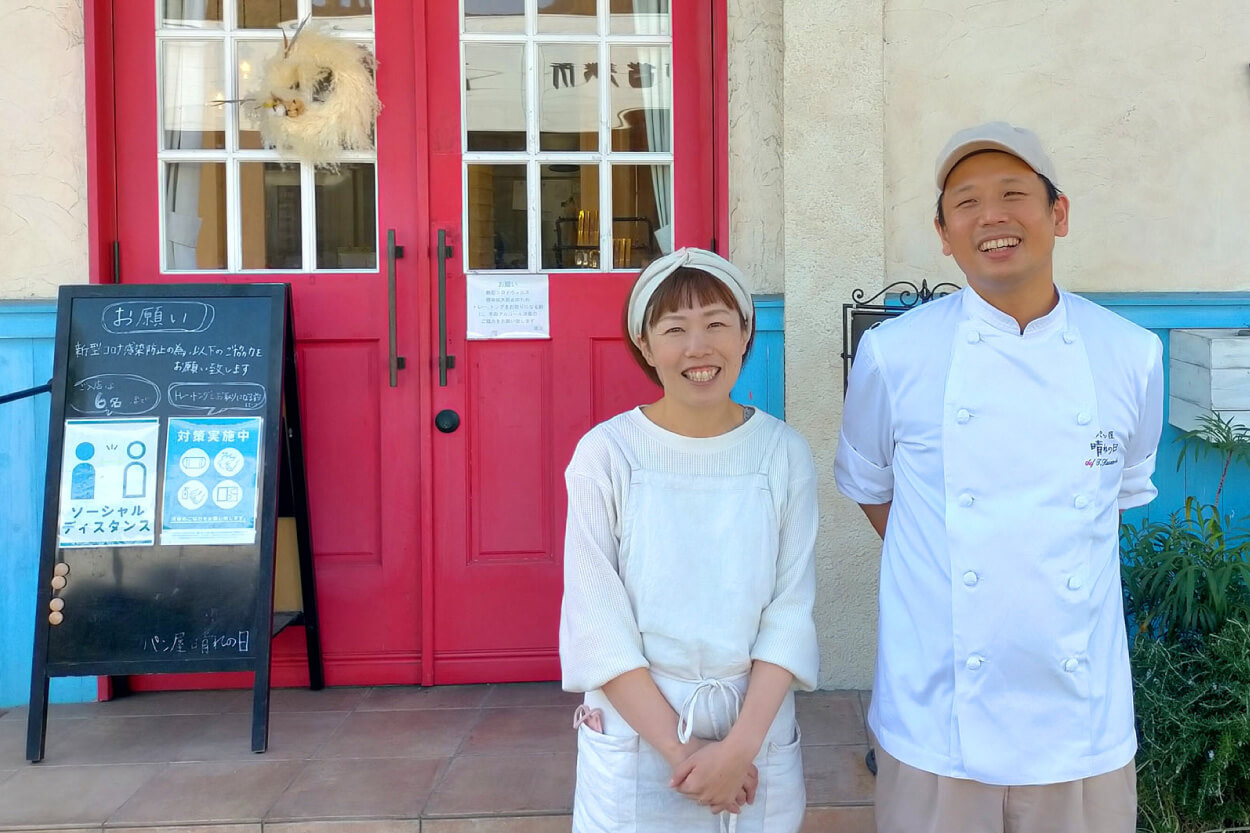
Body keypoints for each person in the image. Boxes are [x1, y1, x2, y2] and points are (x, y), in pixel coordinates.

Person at [835, 122, 1164, 833]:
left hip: (1083, 725)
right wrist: (953, 559)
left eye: (1014, 194)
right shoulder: (894, 355)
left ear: (1060, 214)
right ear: (943, 233)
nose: (993, 216)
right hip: (936, 720)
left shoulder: (1130, 355)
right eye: (967, 202)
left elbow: (1114, 498)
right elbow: (872, 490)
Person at [560, 247, 819, 832]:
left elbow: (790, 611)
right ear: (646, 345)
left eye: (717, 324)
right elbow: (596, 624)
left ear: (746, 333)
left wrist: (738, 751)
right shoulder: (606, 455)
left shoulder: (783, 452)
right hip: (640, 737)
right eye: (674, 328)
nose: (698, 348)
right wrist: (685, 755)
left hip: (755, 736)